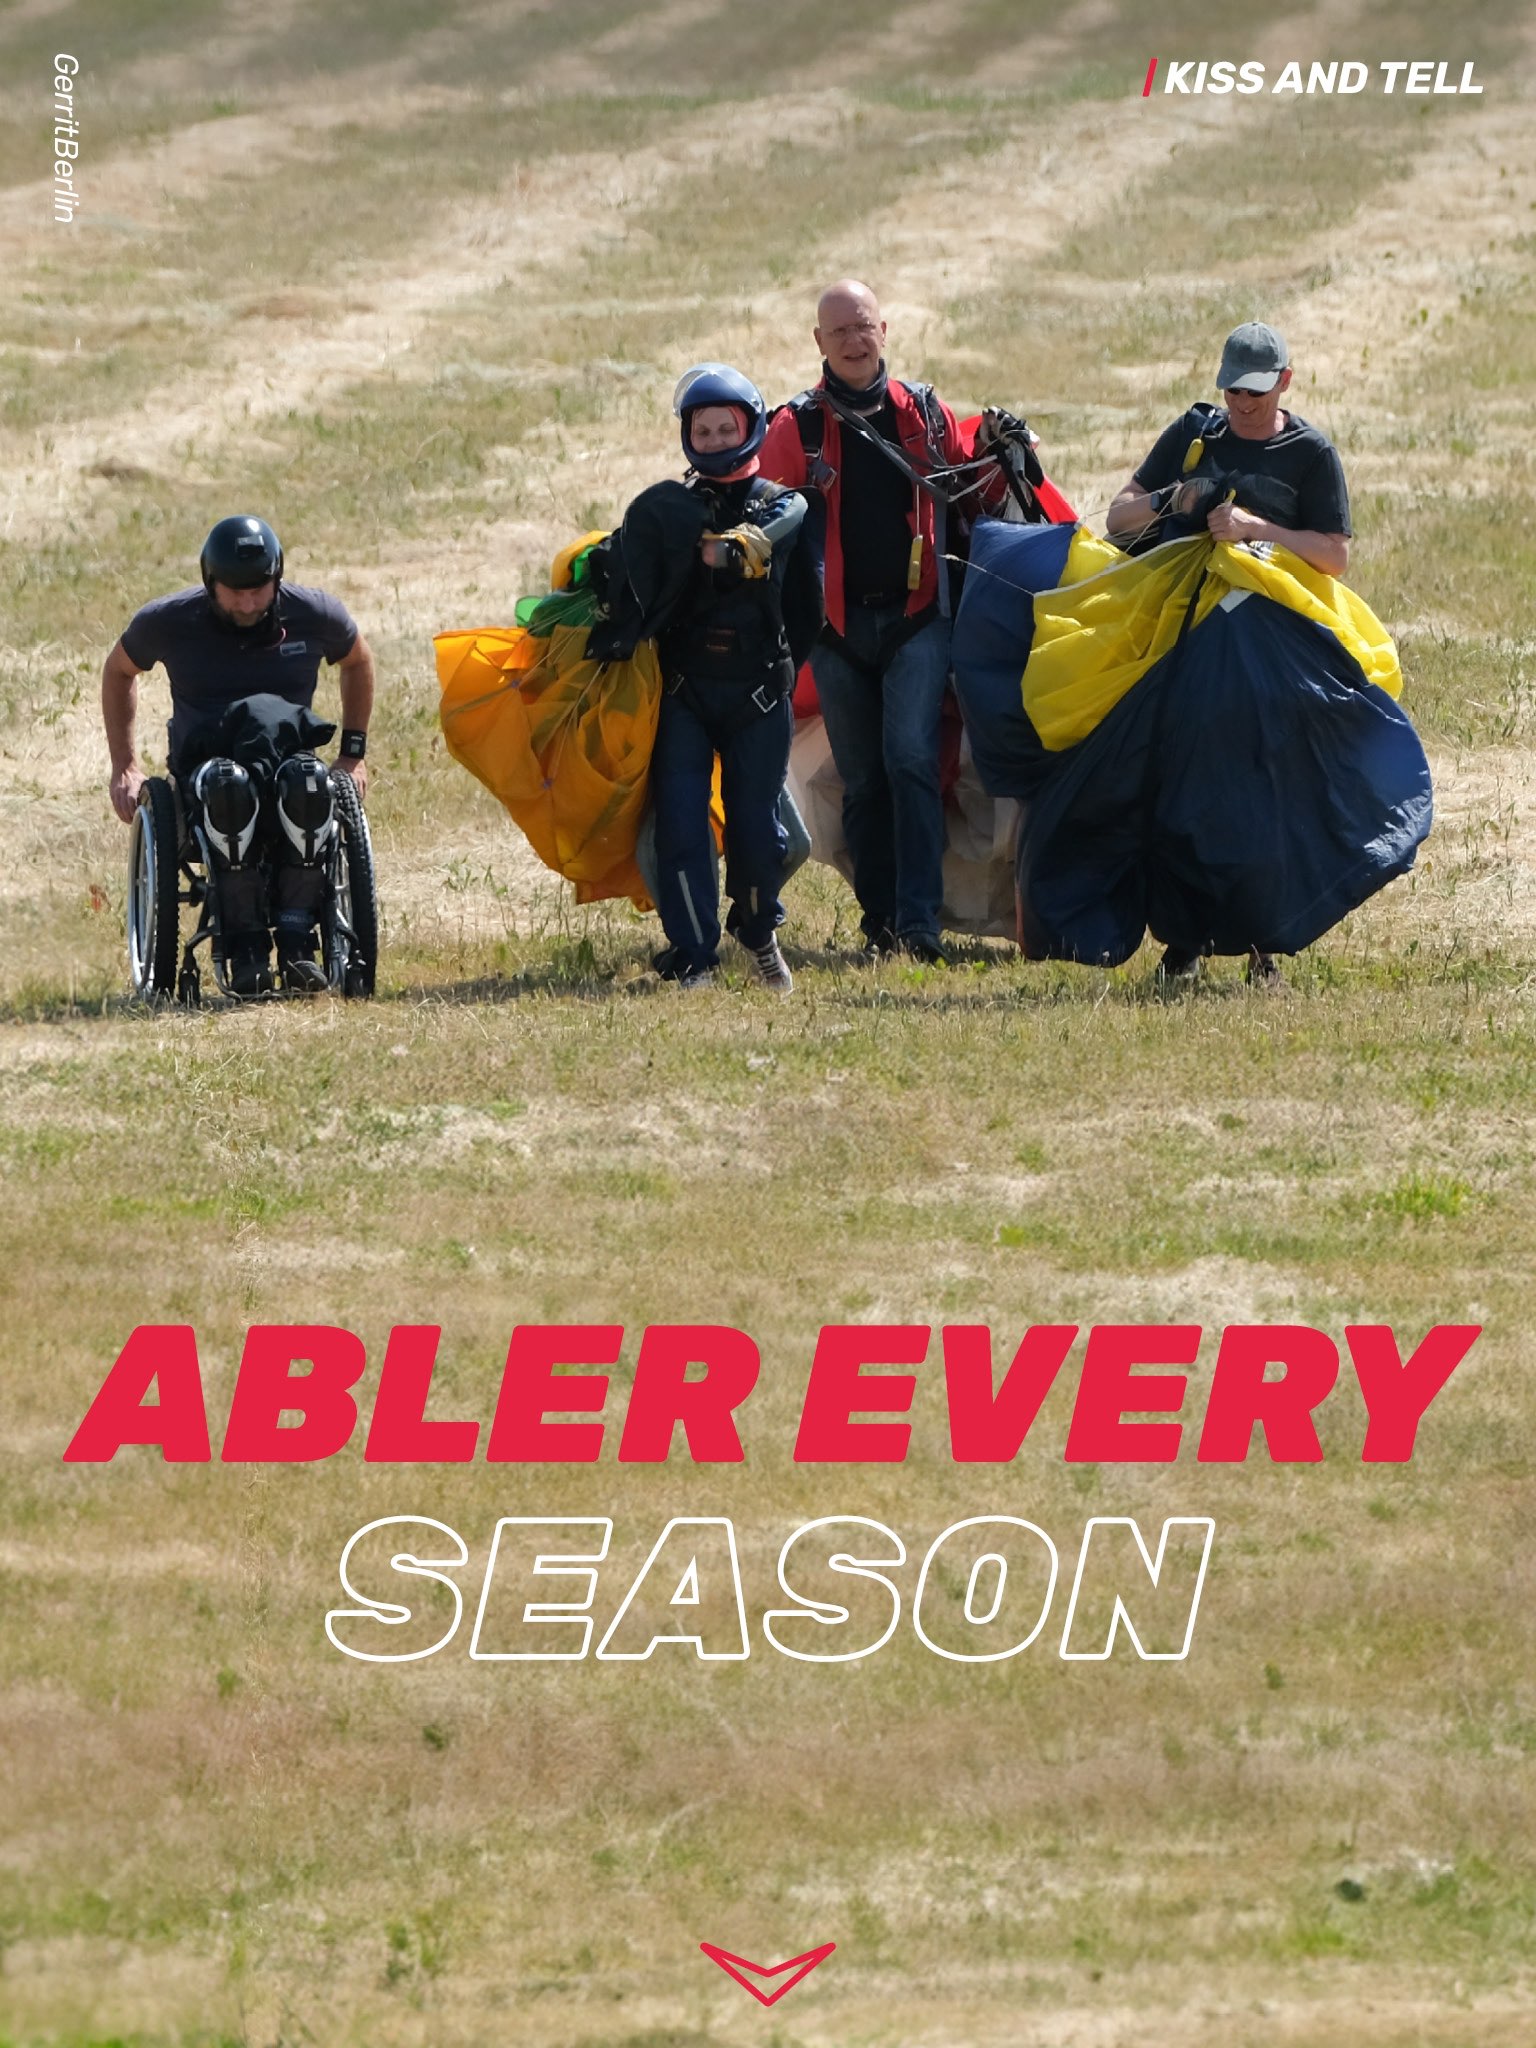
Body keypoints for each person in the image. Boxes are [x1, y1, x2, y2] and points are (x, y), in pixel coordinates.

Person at [759, 278, 1029, 963]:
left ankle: (918, 924)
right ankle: (880, 918)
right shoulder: (795, 429)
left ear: (884, 332)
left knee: (911, 761)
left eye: (864, 326)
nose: (854, 341)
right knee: (864, 779)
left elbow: (973, 493)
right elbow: (760, 510)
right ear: (819, 342)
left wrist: (1006, 451)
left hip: (917, 619)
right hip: (836, 632)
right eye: (840, 331)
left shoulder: (927, 414)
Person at [1105, 322, 1354, 987]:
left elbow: (1334, 555)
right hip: (1187, 640)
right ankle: (1185, 941)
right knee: (1183, 789)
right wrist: (1173, 499)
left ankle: (1263, 945)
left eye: (1255, 391)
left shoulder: (1310, 454)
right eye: (1232, 390)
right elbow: (1118, 517)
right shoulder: (1195, 435)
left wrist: (1256, 530)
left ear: (1285, 382)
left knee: (1262, 792)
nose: (1242, 403)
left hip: (1271, 650)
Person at [588, 365, 822, 992]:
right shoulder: (666, 510)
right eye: (703, 430)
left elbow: (807, 606)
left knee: (755, 830)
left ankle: (758, 931)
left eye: (727, 428)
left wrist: (777, 673)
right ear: (688, 436)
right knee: (682, 826)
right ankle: (693, 956)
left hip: (759, 696)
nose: (715, 440)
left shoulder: (787, 504)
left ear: (752, 428)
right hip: (684, 696)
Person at [102, 516, 375, 994]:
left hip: (287, 763)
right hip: (208, 767)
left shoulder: (313, 614)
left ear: (277, 577)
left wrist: (352, 755)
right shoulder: (170, 620)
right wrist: (124, 765)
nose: (248, 604)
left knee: (309, 781)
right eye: (235, 592)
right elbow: (119, 670)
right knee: (228, 785)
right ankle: (245, 945)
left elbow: (358, 659)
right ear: (210, 582)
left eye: (259, 590)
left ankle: (297, 942)